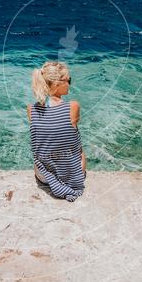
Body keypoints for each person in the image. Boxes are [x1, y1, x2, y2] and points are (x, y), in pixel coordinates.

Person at [27, 61, 87, 202]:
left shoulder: (31, 109)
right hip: (70, 176)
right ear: (57, 84)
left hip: (43, 175)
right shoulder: (73, 106)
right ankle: (68, 178)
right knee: (80, 150)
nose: (70, 84)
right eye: (69, 80)